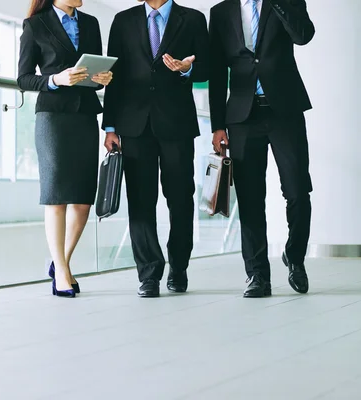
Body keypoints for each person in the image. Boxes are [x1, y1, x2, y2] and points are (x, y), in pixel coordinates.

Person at [208, 0, 315, 298]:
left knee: (297, 190)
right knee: (251, 198)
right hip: (242, 117)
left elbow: (303, 35)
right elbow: (217, 72)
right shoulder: (220, 12)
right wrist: (218, 125)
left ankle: (295, 258)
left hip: (285, 111)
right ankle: (257, 275)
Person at [103, 0, 209, 298]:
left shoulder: (193, 19)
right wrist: (110, 126)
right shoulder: (123, 21)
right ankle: (148, 273)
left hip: (176, 123)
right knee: (140, 201)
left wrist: (189, 68)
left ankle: (178, 266)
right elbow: (114, 76)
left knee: (180, 198)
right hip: (133, 125)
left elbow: (206, 68)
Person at [17, 0, 113, 298]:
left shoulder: (91, 23)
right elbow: (23, 78)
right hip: (53, 118)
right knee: (56, 196)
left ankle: (61, 261)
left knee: (83, 200)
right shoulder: (35, 25)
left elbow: (95, 76)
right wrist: (55, 80)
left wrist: (104, 79)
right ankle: (61, 271)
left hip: (84, 116)